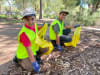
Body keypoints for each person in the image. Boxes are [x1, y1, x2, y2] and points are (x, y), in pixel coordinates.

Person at [13, 8, 48, 73]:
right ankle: (18, 59)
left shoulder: (34, 25)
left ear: (35, 18)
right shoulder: (24, 34)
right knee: (32, 69)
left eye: (32, 19)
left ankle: (36, 56)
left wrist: (41, 27)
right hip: (24, 54)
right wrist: (34, 62)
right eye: (27, 20)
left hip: (33, 49)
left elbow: (35, 28)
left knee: (45, 48)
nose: (30, 22)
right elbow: (28, 50)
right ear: (23, 20)